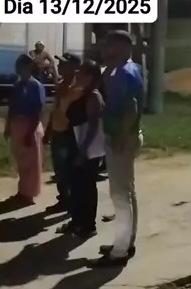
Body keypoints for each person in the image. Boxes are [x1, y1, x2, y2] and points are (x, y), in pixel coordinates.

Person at [90, 30, 144, 268]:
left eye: (109, 46)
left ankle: (120, 251)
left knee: (120, 196)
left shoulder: (124, 72)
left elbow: (131, 108)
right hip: (125, 136)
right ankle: (126, 243)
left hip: (122, 138)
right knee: (127, 193)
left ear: (123, 48)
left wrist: (120, 137)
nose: (104, 51)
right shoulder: (126, 69)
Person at [55, 60, 105, 239]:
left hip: (86, 148)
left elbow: (93, 127)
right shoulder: (80, 93)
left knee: (86, 187)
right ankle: (76, 221)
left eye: (83, 73)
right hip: (74, 143)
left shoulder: (93, 97)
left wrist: (83, 151)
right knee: (75, 186)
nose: (79, 75)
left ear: (92, 77)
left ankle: (88, 225)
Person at [43, 53, 83, 212]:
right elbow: (55, 110)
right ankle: (64, 199)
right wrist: (48, 131)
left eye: (64, 64)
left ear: (75, 67)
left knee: (70, 170)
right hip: (57, 132)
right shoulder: (60, 85)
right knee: (59, 169)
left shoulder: (78, 87)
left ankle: (73, 201)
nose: (59, 66)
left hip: (70, 134)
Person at [5, 54, 46, 205]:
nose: (17, 68)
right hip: (17, 124)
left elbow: (38, 111)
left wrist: (30, 133)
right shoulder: (17, 85)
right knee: (21, 161)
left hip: (30, 125)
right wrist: (8, 126)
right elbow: (11, 107)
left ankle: (29, 194)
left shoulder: (35, 86)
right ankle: (22, 190)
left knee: (31, 162)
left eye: (21, 65)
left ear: (28, 67)